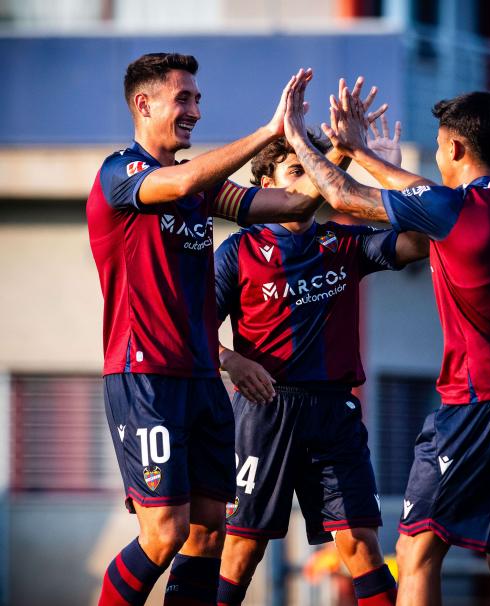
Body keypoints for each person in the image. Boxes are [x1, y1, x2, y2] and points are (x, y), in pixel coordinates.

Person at [280, 75, 490, 605]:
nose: (437, 158)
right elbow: (426, 196)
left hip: (478, 403)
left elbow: (345, 194)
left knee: (416, 553)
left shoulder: (453, 210)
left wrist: (301, 139)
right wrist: (364, 151)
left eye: (440, 148)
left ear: (457, 146)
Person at [86, 54, 363, 605]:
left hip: (202, 382)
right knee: (163, 533)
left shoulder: (199, 192)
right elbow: (183, 177)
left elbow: (297, 202)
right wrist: (268, 129)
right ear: (144, 104)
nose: (195, 110)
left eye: (197, 98)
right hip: (146, 377)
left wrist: (342, 151)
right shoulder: (122, 173)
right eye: (183, 99)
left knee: (209, 531)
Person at [213, 120, 428, 606]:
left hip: (334, 414)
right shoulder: (239, 253)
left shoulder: (343, 242)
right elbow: (190, 334)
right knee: (241, 551)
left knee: (361, 546)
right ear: (267, 187)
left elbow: (417, 243)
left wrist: (384, 169)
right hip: (265, 413)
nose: (312, 179)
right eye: (298, 169)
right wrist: (231, 360)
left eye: (319, 168)